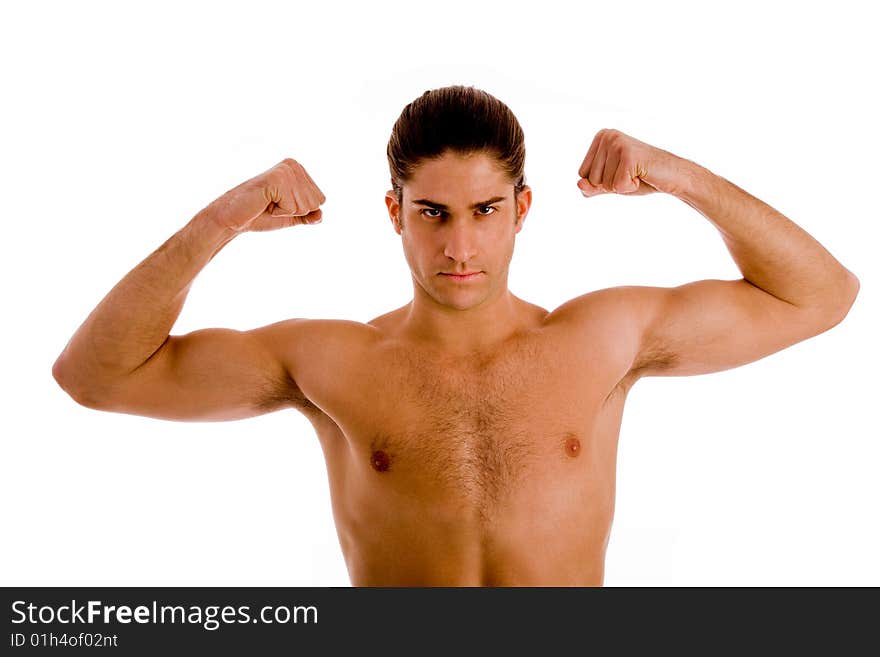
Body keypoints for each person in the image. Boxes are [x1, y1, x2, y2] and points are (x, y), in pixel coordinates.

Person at [52, 85, 859, 586]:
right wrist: (221, 220)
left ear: (523, 210)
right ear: (395, 214)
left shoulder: (603, 337)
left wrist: (675, 174)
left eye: (485, 212)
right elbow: (95, 375)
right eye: (432, 213)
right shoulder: (329, 358)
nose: (460, 247)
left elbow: (822, 294)